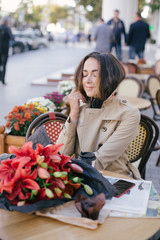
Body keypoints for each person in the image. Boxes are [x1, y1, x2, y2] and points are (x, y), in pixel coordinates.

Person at [57, 52, 141, 179]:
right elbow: (62, 154)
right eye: (85, 74)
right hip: (79, 176)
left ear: (110, 77)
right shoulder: (80, 108)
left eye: (95, 75)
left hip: (113, 180)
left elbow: (99, 161)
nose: (88, 81)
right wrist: (73, 113)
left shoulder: (129, 113)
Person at [0, 17, 14, 85]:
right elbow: (12, 37)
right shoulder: (7, 29)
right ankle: (3, 80)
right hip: (5, 49)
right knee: (4, 65)